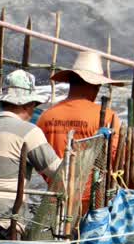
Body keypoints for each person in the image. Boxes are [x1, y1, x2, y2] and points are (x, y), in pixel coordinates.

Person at [0, 70, 62, 240]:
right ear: (27, 105)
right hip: (5, 222)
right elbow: (57, 171)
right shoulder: (29, 132)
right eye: (34, 105)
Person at [36, 51, 124, 210]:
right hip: (91, 203)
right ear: (95, 86)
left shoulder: (46, 116)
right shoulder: (106, 117)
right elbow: (115, 157)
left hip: (54, 199)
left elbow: (37, 158)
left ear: (70, 82)